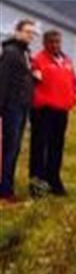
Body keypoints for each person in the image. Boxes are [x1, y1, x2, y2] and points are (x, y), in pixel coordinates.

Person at [29, 30, 76, 198]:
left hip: (61, 110)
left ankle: (54, 180)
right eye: (51, 42)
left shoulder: (66, 61)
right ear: (44, 43)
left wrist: (72, 98)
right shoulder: (38, 61)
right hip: (43, 111)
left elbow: (73, 82)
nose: (55, 45)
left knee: (56, 147)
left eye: (58, 42)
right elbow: (33, 84)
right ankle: (37, 184)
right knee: (39, 147)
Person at [0, 19, 37, 206]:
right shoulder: (11, 53)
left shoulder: (25, 53)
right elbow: (3, 82)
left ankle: (8, 188)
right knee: (9, 148)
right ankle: (4, 191)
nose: (30, 36)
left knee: (15, 149)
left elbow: (23, 78)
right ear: (17, 32)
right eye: (27, 32)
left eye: (32, 33)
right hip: (12, 106)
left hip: (23, 105)